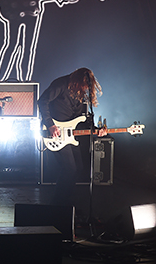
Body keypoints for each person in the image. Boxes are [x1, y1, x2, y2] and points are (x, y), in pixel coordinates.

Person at [38, 67, 106, 206]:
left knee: (79, 168)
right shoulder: (61, 84)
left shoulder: (81, 95)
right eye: (84, 85)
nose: (86, 88)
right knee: (70, 169)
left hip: (70, 134)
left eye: (88, 86)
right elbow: (42, 101)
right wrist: (50, 124)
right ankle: (57, 204)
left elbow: (83, 118)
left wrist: (96, 130)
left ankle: (65, 201)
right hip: (55, 132)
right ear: (77, 80)